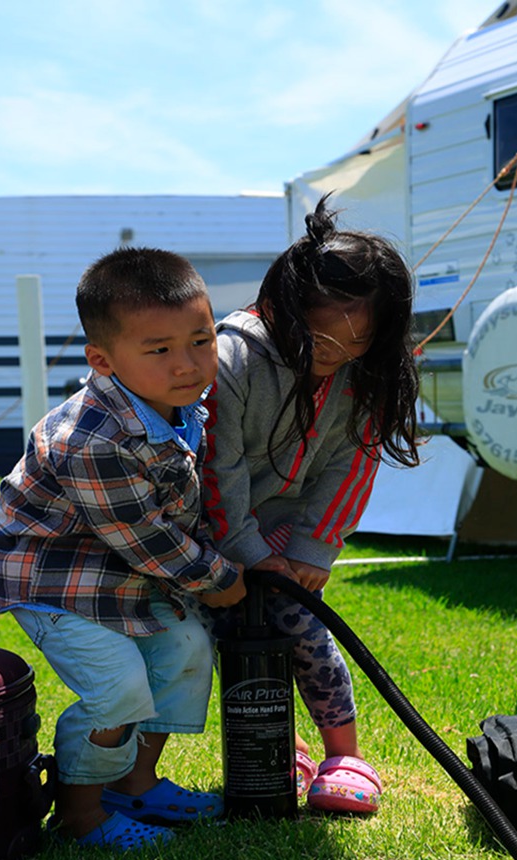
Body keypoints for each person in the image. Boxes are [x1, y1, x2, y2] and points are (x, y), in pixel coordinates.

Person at [0, 247, 246, 850]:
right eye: (159, 349)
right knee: (119, 685)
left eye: (202, 340)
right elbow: (147, 539)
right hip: (51, 580)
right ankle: (80, 813)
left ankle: (134, 782)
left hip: (120, 574)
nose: (188, 364)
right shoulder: (93, 439)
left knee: (187, 647)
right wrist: (217, 576)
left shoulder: (180, 407)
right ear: (102, 360)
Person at [197, 196, 420, 814]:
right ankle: (281, 745)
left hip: (289, 531)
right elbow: (220, 468)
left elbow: (353, 464)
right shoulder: (234, 358)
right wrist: (243, 553)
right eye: (321, 345)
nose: (335, 360)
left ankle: (343, 755)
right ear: (283, 309)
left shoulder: (363, 374)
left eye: (355, 348)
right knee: (232, 637)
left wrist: (314, 547)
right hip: (222, 529)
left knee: (304, 629)